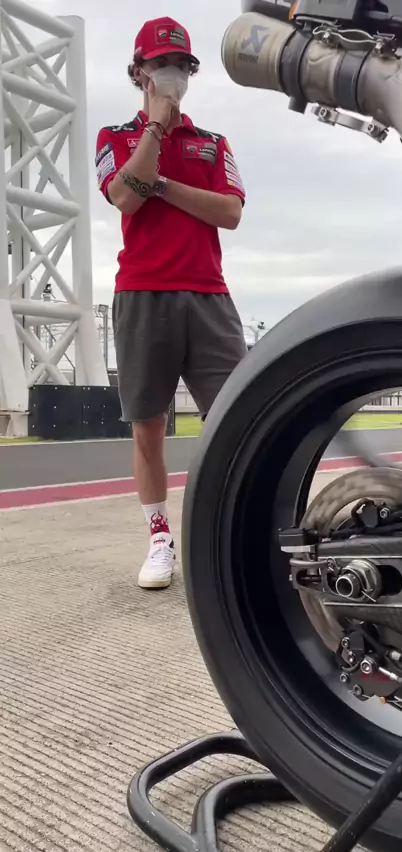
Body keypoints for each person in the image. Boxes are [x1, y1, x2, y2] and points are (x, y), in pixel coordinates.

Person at [95, 16, 247, 591]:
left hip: (209, 295)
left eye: (182, 65)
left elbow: (229, 212)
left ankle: (235, 529)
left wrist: (161, 185)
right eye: (162, 64)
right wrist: (155, 129)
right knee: (148, 428)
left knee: (236, 419)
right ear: (139, 71)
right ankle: (159, 539)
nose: (173, 74)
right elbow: (122, 197)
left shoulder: (214, 143)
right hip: (142, 292)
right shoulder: (114, 136)